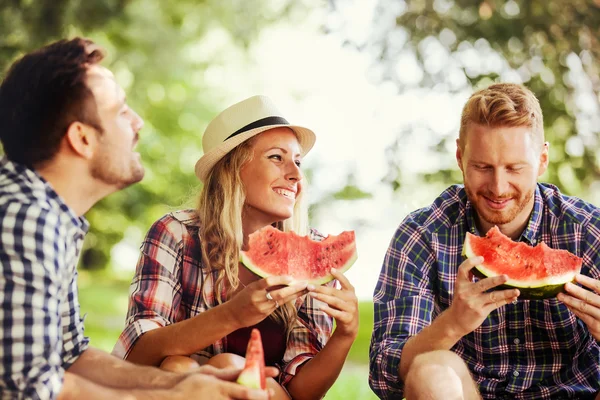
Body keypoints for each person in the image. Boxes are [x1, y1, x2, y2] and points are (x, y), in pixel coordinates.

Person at [0, 37, 274, 400]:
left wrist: (182, 384)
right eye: (120, 111)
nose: (137, 122)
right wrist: (169, 398)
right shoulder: (26, 215)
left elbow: (71, 357)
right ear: (82, 138)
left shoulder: (52, 217)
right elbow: (29, 387)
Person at [112, 95, 360, 399]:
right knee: (177, 367)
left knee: (230, 368)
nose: (296, 175)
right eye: (276, 157)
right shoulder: (176, 234)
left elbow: (302, 393)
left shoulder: (314, 252)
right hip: (182, 389)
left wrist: (344, 336)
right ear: (233, 168)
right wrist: (232, 315)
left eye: (297, 161)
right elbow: (137, 354)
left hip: (267, 394)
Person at [369, 83, 600, 400]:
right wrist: (453, 323)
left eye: (514, 168)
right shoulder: (423, 234)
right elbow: (385, 374)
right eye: (482, 167)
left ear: (542, 159)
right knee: (431, 369)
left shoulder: (589, 231)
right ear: (460, 157)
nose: (498, 187)